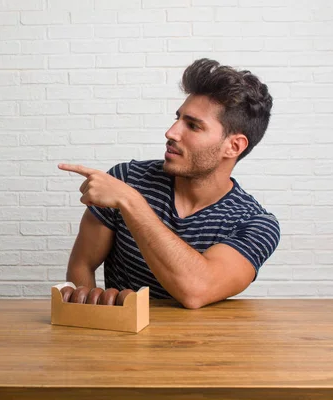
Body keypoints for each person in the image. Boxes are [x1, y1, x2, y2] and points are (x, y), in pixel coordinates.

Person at [59, 58, 280, 309]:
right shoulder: (127, 178)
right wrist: (92, 318)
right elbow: (81, 265)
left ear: (234, 146)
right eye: (178, 118)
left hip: (204, 345)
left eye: (193, 126)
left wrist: (131, 202)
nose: (172, 132)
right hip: (122, 340)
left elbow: (196, 290)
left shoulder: (255, 225)